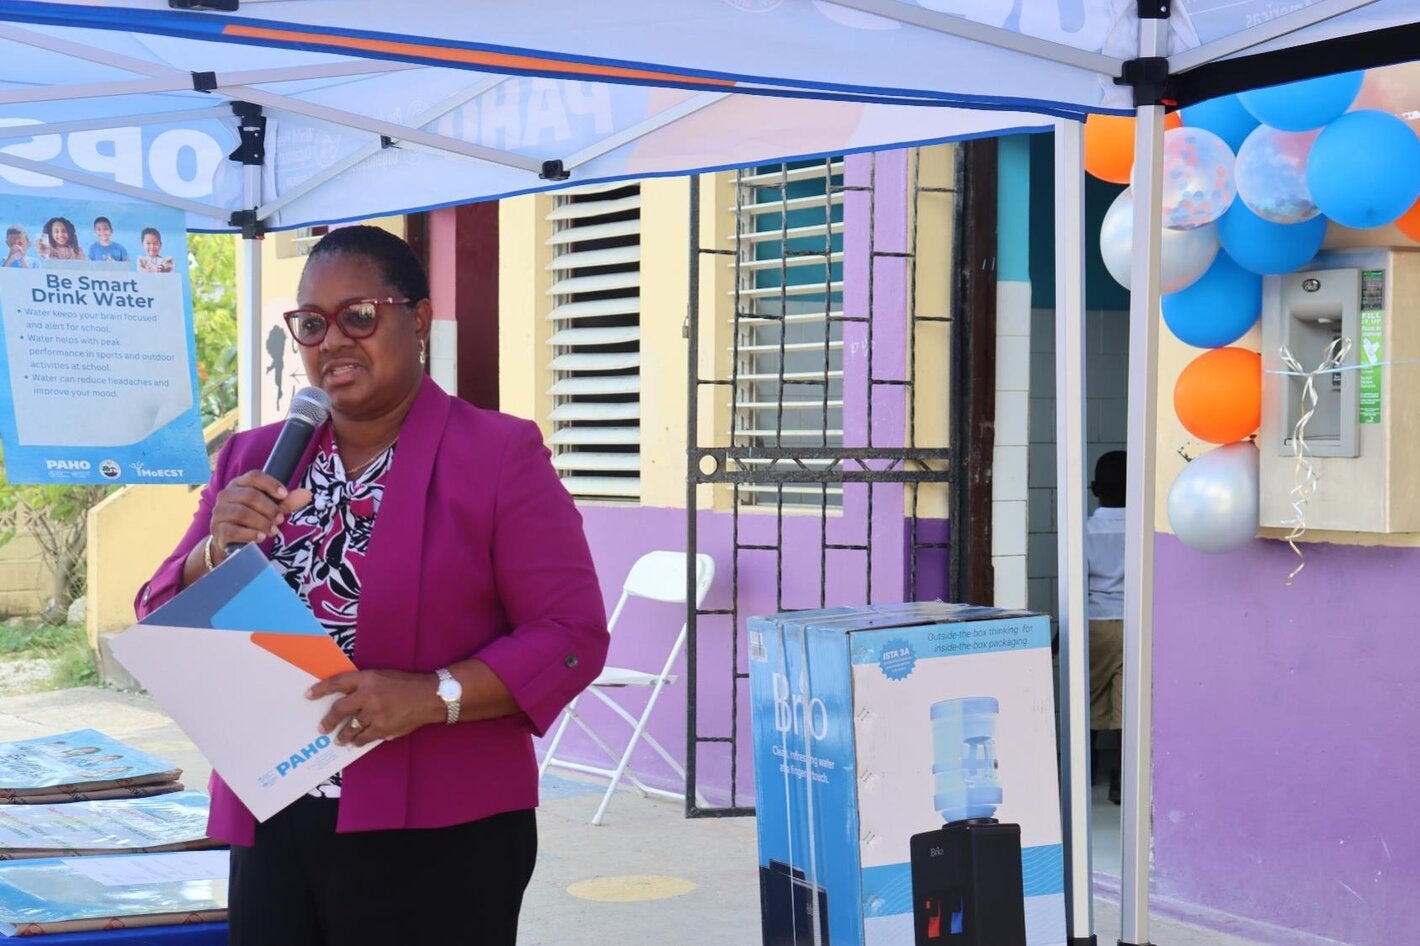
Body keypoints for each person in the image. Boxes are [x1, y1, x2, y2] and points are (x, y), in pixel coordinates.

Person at [135, 225, 609, 945]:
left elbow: (570, 634)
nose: (332, 342)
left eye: (359, 315)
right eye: (312, 324)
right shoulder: (254, 456)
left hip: (441, 831)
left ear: (417, 320)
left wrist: (433, 695)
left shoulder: (496, 454)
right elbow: (160, 613)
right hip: (272, 815)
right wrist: (211, 549)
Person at [1085, 450, 1125, 806]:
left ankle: (1088, 769)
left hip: (1094, 624)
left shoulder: (1086, 530)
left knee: (1091, 701)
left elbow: (1076, 584)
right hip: (1135, 625)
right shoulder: (1144, 529)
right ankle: (1122, 779)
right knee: (1128, 705)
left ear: (1094, 488)